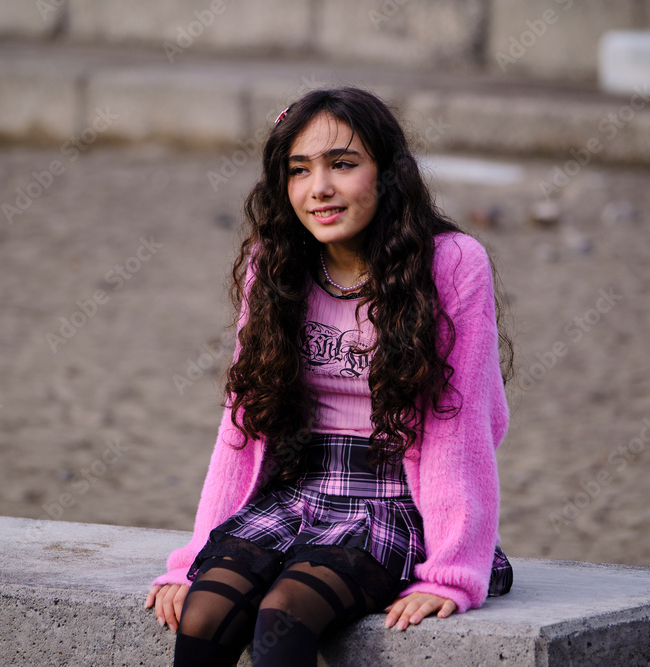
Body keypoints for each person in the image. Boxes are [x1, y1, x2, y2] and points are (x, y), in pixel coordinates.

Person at [145, 86, 513, 666]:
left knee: (285, 613)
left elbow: (458, 427)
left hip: (396, 502)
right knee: (205, 613)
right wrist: (193, 559)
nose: (318, 188)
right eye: (299, 170)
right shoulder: (276, 263)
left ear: (387, 172)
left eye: (342, 164)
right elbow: (243, 423)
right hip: (295, 493)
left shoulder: (451, 263)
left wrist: (452, 572)